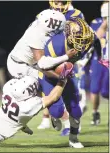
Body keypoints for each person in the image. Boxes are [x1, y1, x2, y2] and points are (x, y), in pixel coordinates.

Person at [38, 17, 95, 148]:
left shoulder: (86, 42)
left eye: (83, 36)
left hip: (66, 73)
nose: (82, 41)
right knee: (57, 111)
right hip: (49, 74)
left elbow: (97, 40)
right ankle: (54, 116)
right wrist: (61, 75)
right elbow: (43, 68)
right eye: (78, 36)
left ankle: (73, 138)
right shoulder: (55, 45)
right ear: (68, 34)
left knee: (76, 109)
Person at [37, 0, 86, 136]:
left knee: (74, 105)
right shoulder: (43, 16)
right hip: (48, 61)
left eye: (62, 2)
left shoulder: (76, 14)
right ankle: (53, 116)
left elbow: (84, 38)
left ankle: (73, 133)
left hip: (67, 61)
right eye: (57, 2)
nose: (59, 6)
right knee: (56, 108)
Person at [7, 9, 77, 79]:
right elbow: (42, 64)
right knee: (42, 83)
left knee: (53, 77)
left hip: (32, 62)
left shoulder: (42, 25)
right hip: (19, 66)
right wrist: (66, 57)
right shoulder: (37, 35)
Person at [80, 1, 109, 126]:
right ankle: (95, 112)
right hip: (99, 59)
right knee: (95, 88)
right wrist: (104, 25)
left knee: (105, 92)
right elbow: (94, 39)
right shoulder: (97, 22)